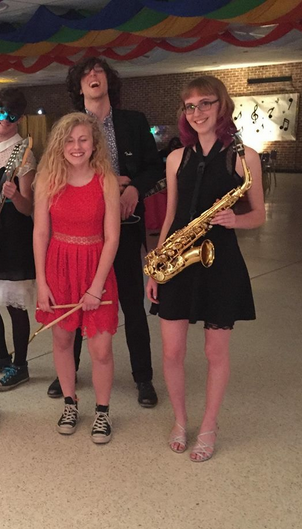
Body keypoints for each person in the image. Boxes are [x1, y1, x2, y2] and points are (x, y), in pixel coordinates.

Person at [146, 76, 265, 462]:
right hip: (180, 260)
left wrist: (236, 221)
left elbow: (259, 215)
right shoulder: (176, 157)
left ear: (222, 105)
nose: (197, 112)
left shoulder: (244, 156)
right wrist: (156, 265)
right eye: (190, 106)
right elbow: (170, 216)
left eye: (206, 103)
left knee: (216, 352)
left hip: (221, 260)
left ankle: (209, 424)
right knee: (171, 351)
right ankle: (181, 420)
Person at [52, 56, 163, 407]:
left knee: (131, 302)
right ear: (78, 86)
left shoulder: (134, 122)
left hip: (125, 228)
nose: (93, 77)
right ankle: (68, 372)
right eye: (86, 74)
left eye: (99, 71)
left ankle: (143, 378)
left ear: (108, 80)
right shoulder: (69, 127)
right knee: (78, 302)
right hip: (80, 232)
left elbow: (154, 167)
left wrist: (134, 190)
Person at [34, 112, 120, 444]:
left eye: (83, 139)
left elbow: (112, 237)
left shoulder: (106, 180)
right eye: (69, 140)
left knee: (101, 349)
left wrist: (97, 286)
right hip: (59, 267)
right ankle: (70, 402)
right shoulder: (47, 179)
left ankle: (102, 411)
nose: (76, 146)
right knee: (62, 340)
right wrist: (42, 282)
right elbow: (40, 233)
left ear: (94, 143)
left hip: (96, 267)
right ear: (60, 144)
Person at [0, 88, 36, 390]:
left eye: (11, 115)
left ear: (19, 118)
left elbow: (29, 207)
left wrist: (16, 194)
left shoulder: (25, 153)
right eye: (0, 112)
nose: (4, 120)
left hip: (16, 235)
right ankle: (2, 355)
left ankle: (21, 364)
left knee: (15, 305)